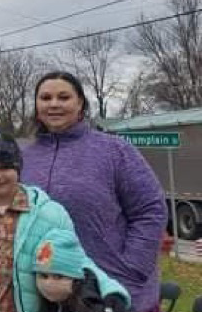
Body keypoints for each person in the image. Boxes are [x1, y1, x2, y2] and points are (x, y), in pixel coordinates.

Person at [21, 71, 166, 312]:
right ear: (37, 107)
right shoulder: (25, 157)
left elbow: (150, 210)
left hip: (114, 291)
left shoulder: (114, 150)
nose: (54, 104)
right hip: (49, 296)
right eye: (45, 98)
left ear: (80, 104)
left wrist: (130, 269)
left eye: (63, 97)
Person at [0, 133, 122, 312]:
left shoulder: (49, 213)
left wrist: (110, 290)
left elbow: (77, 260)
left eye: (5, 167)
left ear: (18, 168)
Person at [33, 229, 130, 312]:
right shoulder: (49, 302)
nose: (48, 284)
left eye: (58, 276)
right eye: (43, 276)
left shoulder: (89, 301)